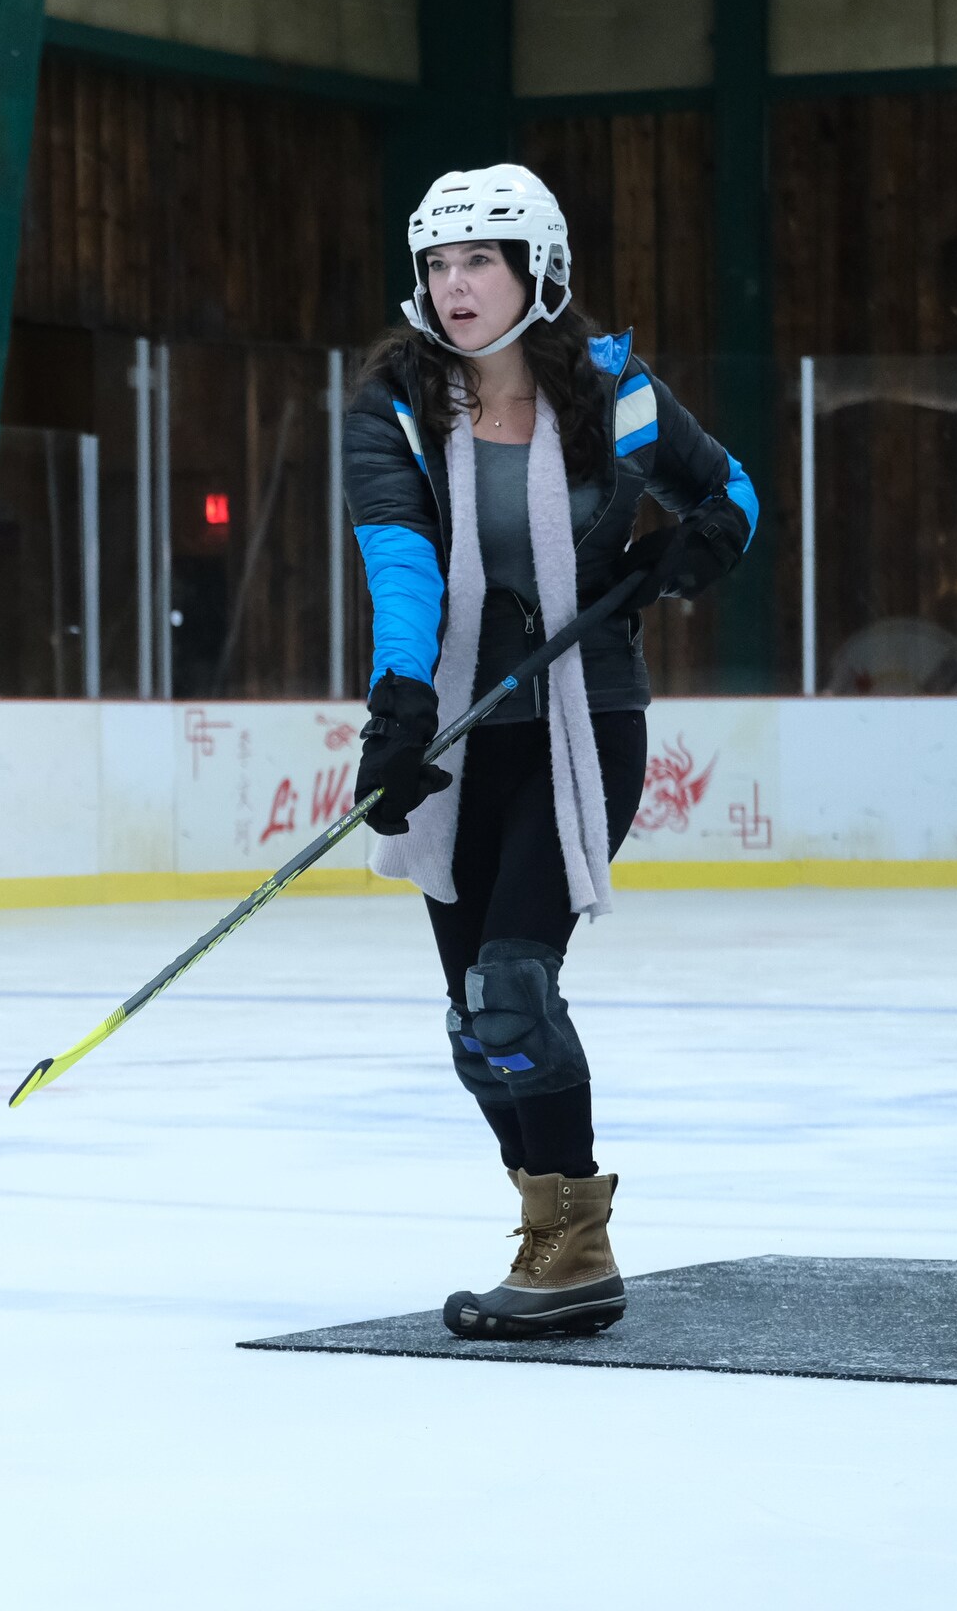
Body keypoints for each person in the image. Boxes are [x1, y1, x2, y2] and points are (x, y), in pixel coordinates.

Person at [342, 165, 755, 1339]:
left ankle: (575, 1252)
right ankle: (551, 1222)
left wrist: (701, 541)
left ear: (539, 269)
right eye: (437, 262)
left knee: (515, 989)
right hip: (466, 729)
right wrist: (402, 706)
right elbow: (404, 564)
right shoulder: (394, 407)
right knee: (476, 1022)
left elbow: (731, 492)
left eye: (480, 259)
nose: (455, 284)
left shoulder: (614, 392)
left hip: (588, 717)